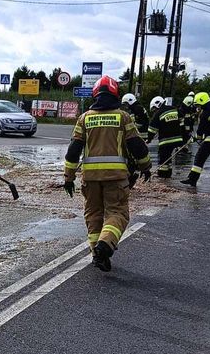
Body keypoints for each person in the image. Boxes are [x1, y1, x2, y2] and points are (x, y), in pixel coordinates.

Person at [63, 75, 151, 272]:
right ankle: (105, 245)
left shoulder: (84, 118)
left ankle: (97, 253)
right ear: (115, 94)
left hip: (90, 179)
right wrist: (146, 167)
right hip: (116, 178)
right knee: (117, 212)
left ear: (95, 94)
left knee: (93, 214)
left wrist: (68, 178)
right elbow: (138, 147)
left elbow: (73, 151)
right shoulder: (123, 117)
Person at [146, 95, 183, 179]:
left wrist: (149, 139)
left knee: (163, 157)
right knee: (168, 156)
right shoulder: (174, 109)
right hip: (177, 138)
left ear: (158, 105)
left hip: (166, 140)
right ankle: (168, 173)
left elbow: (152, 129)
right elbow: (181, 118)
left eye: (154, 109)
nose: (154, 111)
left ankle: (162, 174)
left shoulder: (159, 113)